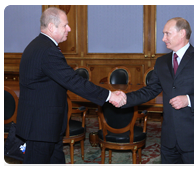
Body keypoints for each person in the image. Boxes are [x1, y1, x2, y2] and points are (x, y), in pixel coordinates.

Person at [16, 7, 126, 166]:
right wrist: (109, 96)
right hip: (41, 128)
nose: (69, 28)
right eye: (65, 25)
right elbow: (74, 81)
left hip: (46, 126)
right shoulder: (47, 51)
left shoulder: (38, 45)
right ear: (52, 27)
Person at [121, 17, 194, 165]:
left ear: (182, 33)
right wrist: (124, 99)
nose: (163, 38)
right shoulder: (161, 62)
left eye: (167, 33)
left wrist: (189, 100)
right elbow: (150, 90)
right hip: (168, 137)